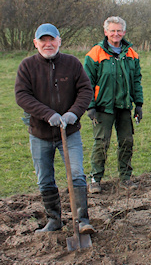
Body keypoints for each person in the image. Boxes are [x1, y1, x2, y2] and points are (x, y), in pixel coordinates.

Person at [15, 23, 96, 234]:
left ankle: (82, 220)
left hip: (69, 132)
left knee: (77, 174)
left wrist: (73, 113)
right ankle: (54, 220)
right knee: (45, 178)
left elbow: (86, 90)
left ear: (59, 41)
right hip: (40, 134)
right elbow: (22, 96)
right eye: (43, 40)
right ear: (36, 43)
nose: (48, 44)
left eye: (52, 40)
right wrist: (47, 114)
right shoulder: (27, 66)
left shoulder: (72, 63)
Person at [84, 16, 143, 193]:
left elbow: (136, 81)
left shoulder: (131, 54)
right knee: (101, 143)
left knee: (126, 141)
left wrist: (138, 103)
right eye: (112, 30)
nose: (115, 34)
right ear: (106, 32)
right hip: (103, 107)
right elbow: (86, 82)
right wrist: (90, 106)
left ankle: (125, 178)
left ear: (124, 32)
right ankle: (95, 179)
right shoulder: (95, 53)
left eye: (119, 31)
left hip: (124, 106)